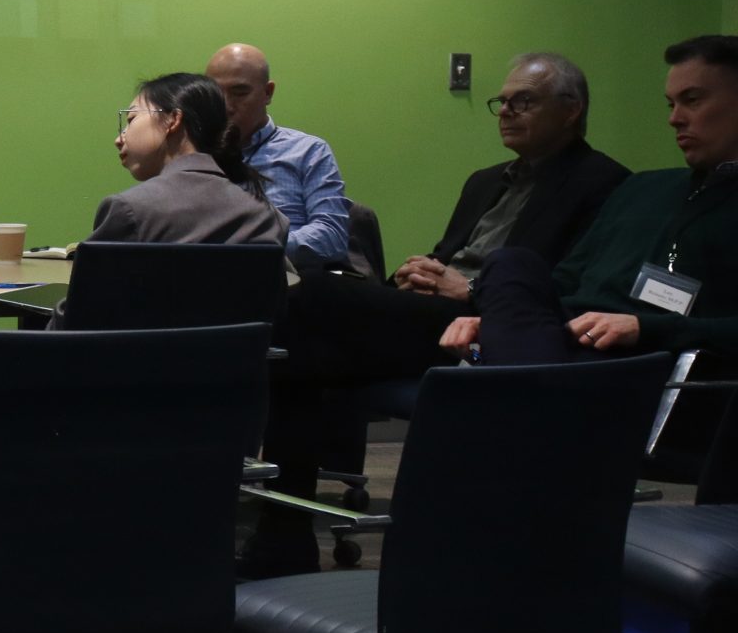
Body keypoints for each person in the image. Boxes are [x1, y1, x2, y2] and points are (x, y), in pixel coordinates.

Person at [277, 52, 630, 382]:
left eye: (522, 101)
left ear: (571, 111)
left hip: (489, 323)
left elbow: (568, 288)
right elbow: (447, 257)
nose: (506, 111)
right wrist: (416, 273)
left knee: (313, 293)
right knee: (310, 352)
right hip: (434, 310)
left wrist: (470, 289)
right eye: (502, 102)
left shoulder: (603, 182)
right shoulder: (484, 180)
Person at [451, 36, 738, 367]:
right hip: (567, 346)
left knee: (481, 386)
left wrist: (645, 328)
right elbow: (564, 283)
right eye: (671, 104)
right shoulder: (641, 187)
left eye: (692, 100)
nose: (675, 118)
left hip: (644, 360)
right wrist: (503, 321)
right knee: (510, 264)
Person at [89, 71, 289, 246]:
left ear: (173, 120)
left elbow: (93, 289)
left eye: (131, 119)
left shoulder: (127, 210)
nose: (119, 139)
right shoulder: (268, 218)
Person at [207, 43, 349, 267]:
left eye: (239, 92)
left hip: (293, 285)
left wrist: (254, 251)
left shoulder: (308, 151)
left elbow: (332, 237)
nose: (225, 106)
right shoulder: (194, 154)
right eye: (215, 93)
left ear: (268, 93)